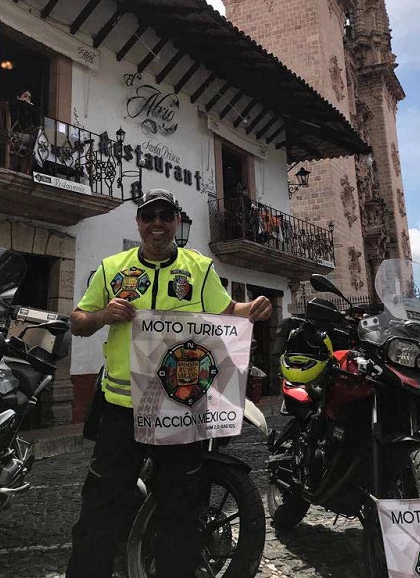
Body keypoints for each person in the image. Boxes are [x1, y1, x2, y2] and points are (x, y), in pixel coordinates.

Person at [66, 188, 272, 578]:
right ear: (139, 222)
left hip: (179, 411)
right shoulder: (112, 268)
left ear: (177, 221)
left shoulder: (200, 269)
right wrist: (103, 316)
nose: (157, 224)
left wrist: (254, 309)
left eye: (165, 216)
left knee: (180, 507)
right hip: (121, 408)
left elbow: (229, 312)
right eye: (149, 216)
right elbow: (78, 322)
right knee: (100, 507)